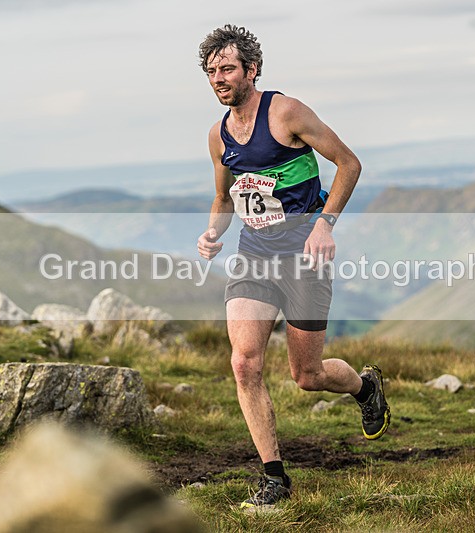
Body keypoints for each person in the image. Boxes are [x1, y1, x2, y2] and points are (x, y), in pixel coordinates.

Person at [196, 24, 391, 508]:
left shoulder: (285, 112)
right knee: (244, 363)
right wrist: (212, 234)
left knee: (307, 375)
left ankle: (365, 387)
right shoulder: (219, 137)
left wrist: (325, 225)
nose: (219, 78)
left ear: (251, 69)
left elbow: (349, 164)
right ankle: (275, 478)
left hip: (305, 254)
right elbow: (224, 198)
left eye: (227, 68)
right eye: (211, 71)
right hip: (255, 255)